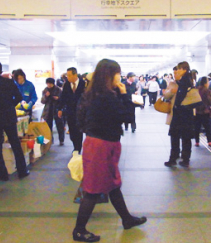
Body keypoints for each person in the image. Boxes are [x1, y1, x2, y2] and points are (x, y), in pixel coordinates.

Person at [73, 59, 147, 242]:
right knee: (92, 189)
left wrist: (92, 131)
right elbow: (127, 116)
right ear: (109, 75)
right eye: (117, 73)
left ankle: (127, 219)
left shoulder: (92, 93)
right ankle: (79, 230)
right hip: (101, 146)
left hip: (98, 143)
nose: (119, 77)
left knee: (113, 185)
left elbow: (79, 119)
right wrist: (124, 93)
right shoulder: (107, 96)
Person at [0, 58, 29, 180]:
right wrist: (10, 105)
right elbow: (19, 97)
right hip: (9, 116)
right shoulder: (9, 83)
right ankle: (22, 170)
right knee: (15, 143)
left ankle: (3, 174)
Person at [164, 62, 196, 168]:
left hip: (182, 114)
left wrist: (177, 82)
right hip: (184, 114)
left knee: (178, 136)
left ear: (184, 69)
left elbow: (183, 95)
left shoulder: (185, 81)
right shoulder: (186, 80)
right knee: (183, 137)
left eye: (178, 69)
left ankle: (176, 158)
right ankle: (182, 158)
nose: (176, 71)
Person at [58, 67, 85, 153]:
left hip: (80, 112)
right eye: (67, 75)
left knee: (79, 131)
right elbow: (63, 98)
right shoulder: (66, 85)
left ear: (75, 75)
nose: (67, 77)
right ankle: (75, 145)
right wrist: (60, 108)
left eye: (69, 75)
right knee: (72, 132)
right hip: (70, 112)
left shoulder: (83, 84)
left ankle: (77, 148)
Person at [41, 78, 64, 146]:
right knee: (48, 126)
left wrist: (58, 98)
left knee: (59, 125)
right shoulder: (45, 90)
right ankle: (50, 140)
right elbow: (42, 101)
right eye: (48, 83)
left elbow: (62, 99)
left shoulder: (58, 90)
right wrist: (46, 96)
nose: (49, 85)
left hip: (57, 109)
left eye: (50, 83)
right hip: (48, 110)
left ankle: (61, 140)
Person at [194, 77, 211, 147]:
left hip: (197, 111)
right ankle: (209, 141)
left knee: (197, 127)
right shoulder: (207, 91)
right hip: (205, 111)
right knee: (208, 127)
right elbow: (209, 100)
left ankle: (197, 142)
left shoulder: (195, 90)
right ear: (205, 83)